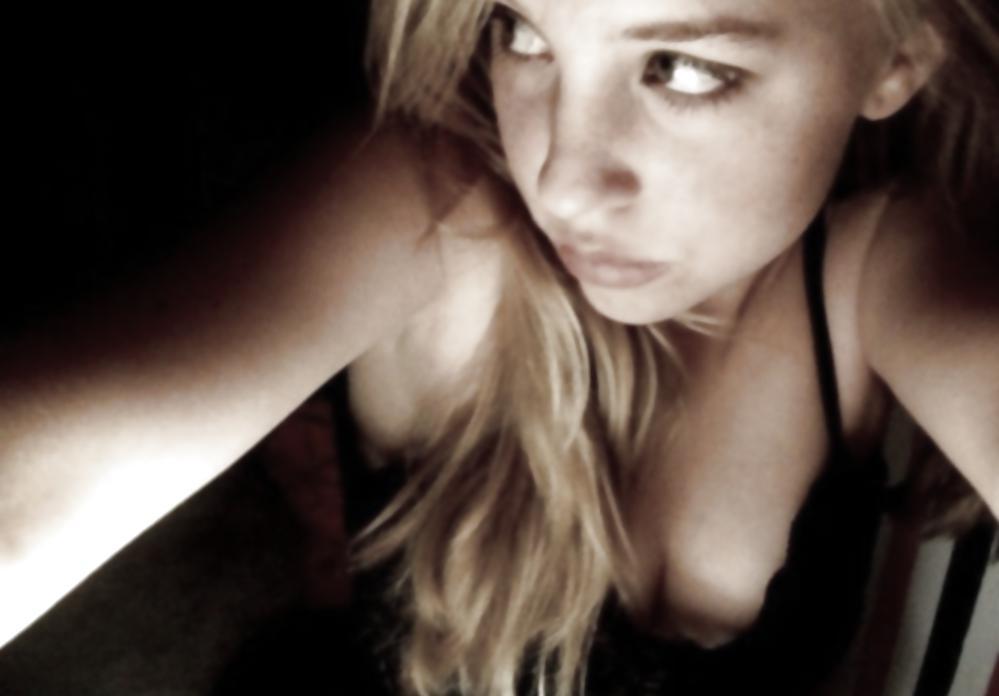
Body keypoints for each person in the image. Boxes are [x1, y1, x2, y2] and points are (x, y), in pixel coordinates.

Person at [2, 0, 997, 695]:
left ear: (898, 57)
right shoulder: (436, 211)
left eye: (683, 68)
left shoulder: (876, 270)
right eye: (521, 33)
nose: (560, 180)